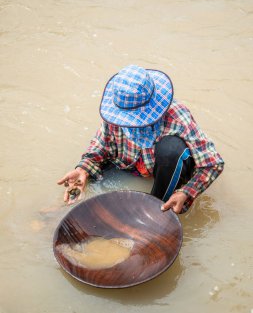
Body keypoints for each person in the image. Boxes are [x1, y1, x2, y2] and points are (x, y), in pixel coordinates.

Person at [58, 65, 224, 214]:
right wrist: (83, 169)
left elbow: (212, 164)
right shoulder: (115, 112)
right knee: (85, 194)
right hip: (128, 164)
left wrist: (186, 192)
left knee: (171, 148)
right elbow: (100, 146)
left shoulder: (177, 116)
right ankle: (58, 209)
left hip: (165, 169)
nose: (130, 125)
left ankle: (157, 207)